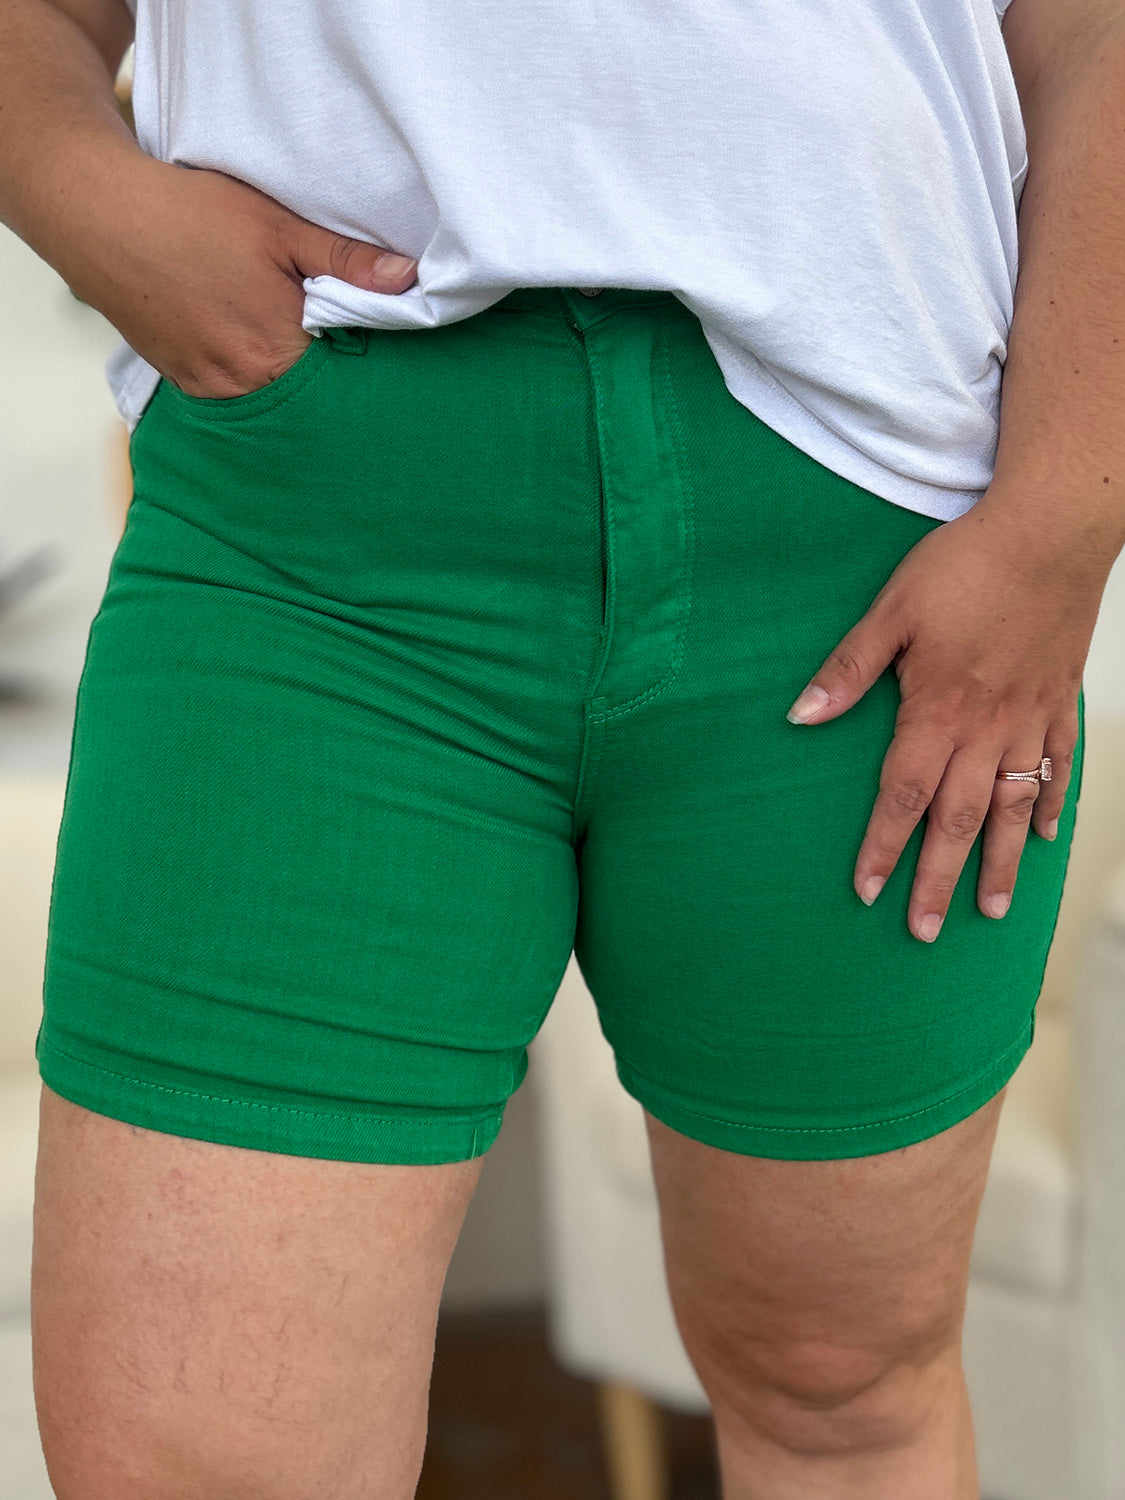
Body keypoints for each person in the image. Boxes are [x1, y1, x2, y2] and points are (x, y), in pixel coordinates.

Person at [1, 0, 1121, 1494]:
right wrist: (87, 197)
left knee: (837, 1390)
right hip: (312, 534)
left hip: (861, 547)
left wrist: (1061, 517)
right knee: (198, 1459)